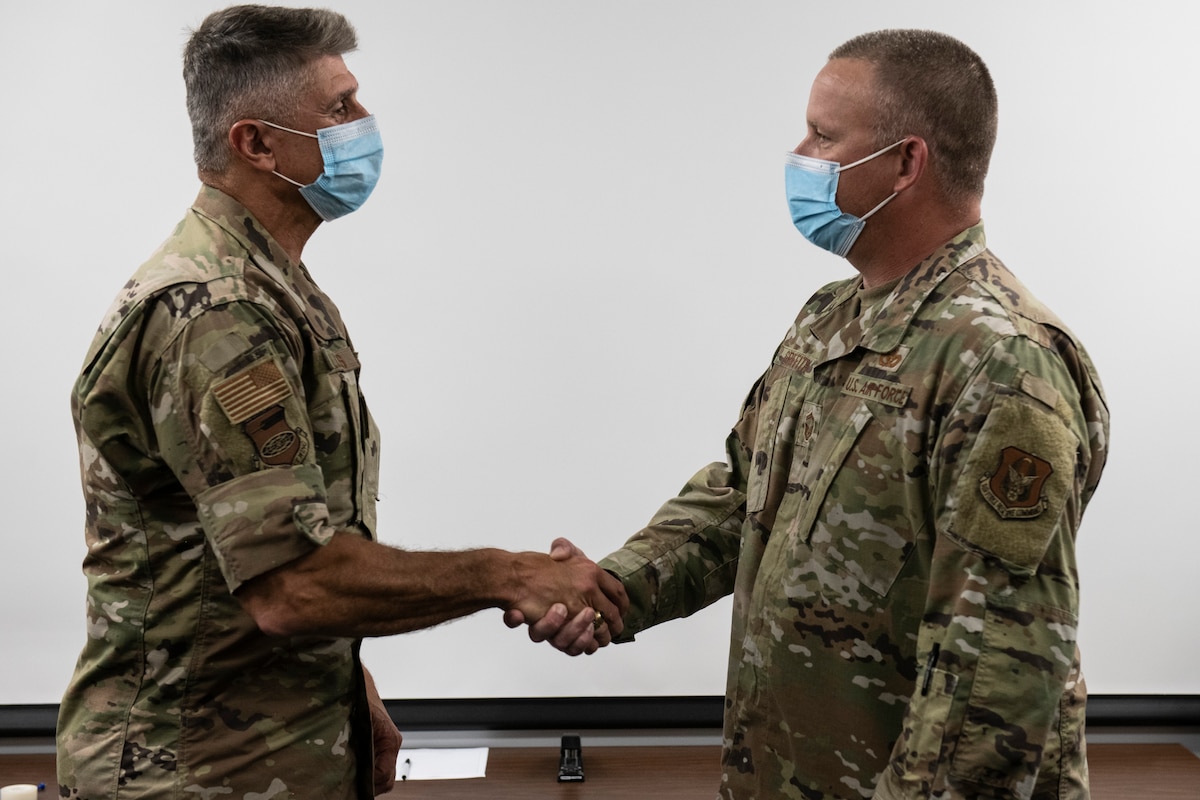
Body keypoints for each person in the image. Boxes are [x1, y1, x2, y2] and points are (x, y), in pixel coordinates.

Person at [511, 29, 1110, 800]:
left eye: (824, 136)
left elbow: (995, 671)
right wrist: (614, 590)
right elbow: (742, 494)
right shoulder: (830, 319)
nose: (800, 153)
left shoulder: (1003, 361)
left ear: (906, 162)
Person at [57, 5, 627, 799]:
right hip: (190, 773)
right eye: (339, 108)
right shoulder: (217, 311)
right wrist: (506, 574)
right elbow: (292, 587)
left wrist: (348, 693)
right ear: (255, 142)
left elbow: (248, 551)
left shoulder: (274, 289)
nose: (365, 124)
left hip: (270, 757)